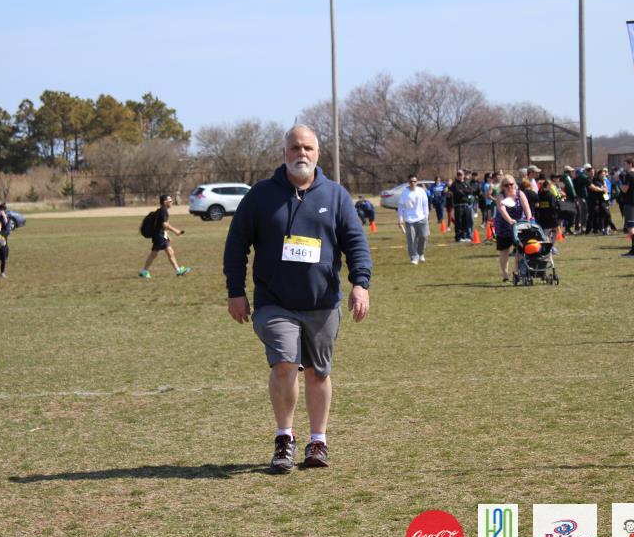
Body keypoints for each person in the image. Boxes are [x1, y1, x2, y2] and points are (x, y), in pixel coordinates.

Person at [223, 124, 371, 473]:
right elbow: (236, 245)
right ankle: (284, 438)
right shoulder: (260, 195)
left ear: (318, 153)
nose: (301, 153)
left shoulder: (336, 196)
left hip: (322, 303)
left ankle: (318, 441)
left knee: (318, 372)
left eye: (307, 148)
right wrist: (235, 291)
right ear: (284, 153)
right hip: (274, 302)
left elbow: (356, 243)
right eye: (294, 147)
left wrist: (360, 284)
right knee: (285, 363)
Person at [139, 194, 192, 278]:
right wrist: (176, 231)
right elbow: (164, 224)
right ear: (165, 202)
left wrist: (166, 234)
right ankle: (144, 271)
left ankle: (178, 270)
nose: (172, 202)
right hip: (159, 236)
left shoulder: (161, 210)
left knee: (170, 252)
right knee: (154, 254)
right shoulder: (164, 211)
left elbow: (160, 225)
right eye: (170, 201)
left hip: (161, 235)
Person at [494, 175, 532, 282]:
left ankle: (516, 272)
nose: (509, 187)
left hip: (519, 225)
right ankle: (505, 275)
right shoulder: (500, 196)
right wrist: (510, 220)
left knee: (520, 249)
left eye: (511, 184)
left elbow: (526, 207)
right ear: (503, 186)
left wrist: (529, 217)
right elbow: (502, 210)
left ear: (514, 184)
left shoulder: (520, 194)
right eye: (506, 185)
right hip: (504, 226)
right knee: (504, 250)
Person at [398, 174, 430, 264]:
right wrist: (400, 219)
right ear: (408, 182)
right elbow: (400, 207)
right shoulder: (404, 193)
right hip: (409, 219)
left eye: (414, 181)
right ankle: (414, 257)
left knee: (424, 236)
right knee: (411, 239)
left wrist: (426, 216)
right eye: (411, 181)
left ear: (417, 182)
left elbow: (425, 204)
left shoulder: (421, 191)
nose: (413, 183)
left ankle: (421, 253)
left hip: (421, 218)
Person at [619, 158, 634, 258]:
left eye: (625, 164)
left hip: (630, 204)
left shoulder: (629, 175)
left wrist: (619, 184)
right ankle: (633, 250)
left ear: (630, 164)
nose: (624, 166)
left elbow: (625, 189)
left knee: (630, 227)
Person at [449, 170, 475, 241]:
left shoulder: (466, 183)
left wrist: (464, 191)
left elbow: (471, 190)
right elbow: (458, 192)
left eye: (461, 174)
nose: (459, 176)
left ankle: (465, 236)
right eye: (458, 175)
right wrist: (465, 192)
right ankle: (458, 237)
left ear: (463, 175)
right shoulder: (455, 184)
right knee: (458, 221)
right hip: (458, 205)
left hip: (466, 205)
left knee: (465, 221)